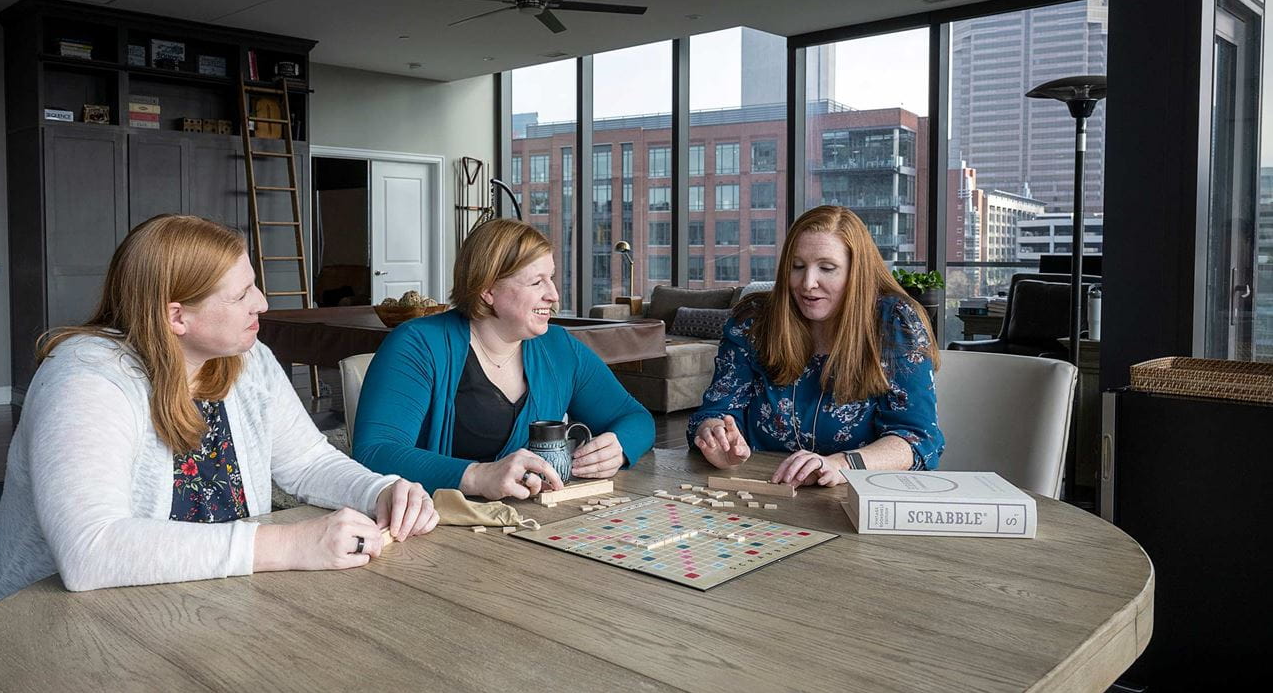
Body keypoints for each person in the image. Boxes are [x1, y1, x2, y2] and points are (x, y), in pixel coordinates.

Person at [0, 215, 437, 614]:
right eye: (241, 295)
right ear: (177, 317)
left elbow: (308, 461)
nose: (262, 303)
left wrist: (380, 490)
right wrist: (294, 544)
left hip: (209, 605)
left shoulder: (246, 358)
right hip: (49, 623)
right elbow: (90, 551)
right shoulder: (85, 379)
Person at [353, 219, 655, 499]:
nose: (553, 295)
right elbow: (375, 452)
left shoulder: (560, 348)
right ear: (488, 290)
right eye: (537, 282)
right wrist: (476, 476)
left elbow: (637, 418)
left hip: (530, 526)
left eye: (551, 278)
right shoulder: (417, 344)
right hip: (431, 525)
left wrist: (620, 446)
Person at [688, 205, 944, 487]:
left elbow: (917, 439)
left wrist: (841, 464)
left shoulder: (894, 322)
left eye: (827, 268)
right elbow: (715, 411)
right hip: (762, 489)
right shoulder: (752, 322)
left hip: (857, 496)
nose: (808, 283)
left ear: (856, 273)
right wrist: (714, 435)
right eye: (797, 267)